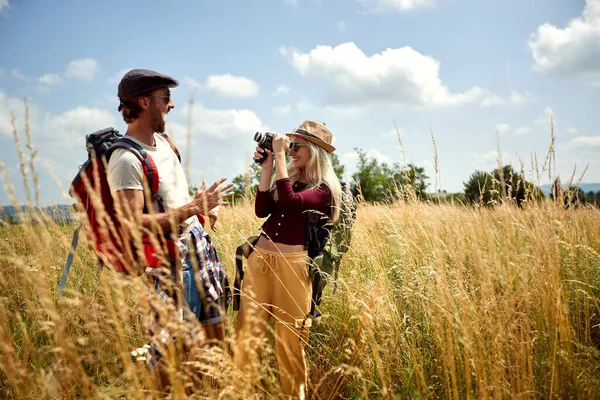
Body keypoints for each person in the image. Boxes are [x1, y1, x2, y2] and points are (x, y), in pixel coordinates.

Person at [107, 68, 233, 393]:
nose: (171, 105)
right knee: (169, 353)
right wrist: (193, 208)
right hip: (170, 264)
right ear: (145, 101)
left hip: (199, 247)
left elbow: (173, 200)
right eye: (167, 98)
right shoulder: (125, 159)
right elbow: (131, 222)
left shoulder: (164, 142)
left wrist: (204, 211)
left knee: (213, 339)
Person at [233, 120, 342, 398]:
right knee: (247, 335)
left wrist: (279, 157)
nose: (291, 150)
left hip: (294, 270)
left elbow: (292, 202)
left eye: (297, 146)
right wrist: (267, 168)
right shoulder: (288, 177)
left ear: (315, 152)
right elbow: (261, 210)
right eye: (290, 144)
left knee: (290, 342)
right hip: (261, 260)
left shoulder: (325, 189)